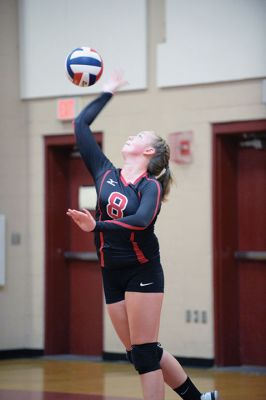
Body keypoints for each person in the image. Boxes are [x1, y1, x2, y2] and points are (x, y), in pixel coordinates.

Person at [67, 71, 219, 400]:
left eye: (138, 135)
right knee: (138, 354)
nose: (130, 137)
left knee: (146, 351)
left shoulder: (149, 186)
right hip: (110, 271)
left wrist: (98, 226)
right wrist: (106, 91)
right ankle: (198, 399)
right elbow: (81, 125)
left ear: (148, 152)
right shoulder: (104, 171)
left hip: (142, 270)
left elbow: (140, 220)